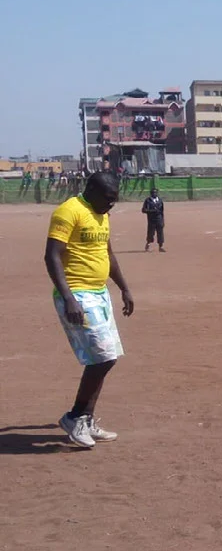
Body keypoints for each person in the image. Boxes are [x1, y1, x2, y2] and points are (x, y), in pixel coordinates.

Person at [45, 172, 134, 448]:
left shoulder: (101, 214)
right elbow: (51, 255)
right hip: (78, 294)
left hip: (99, 293)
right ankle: (75, 417)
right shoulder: (69, 211)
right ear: (91, 189)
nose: (111, 205)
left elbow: (107, 253)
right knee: (102, 358)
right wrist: (68, 297)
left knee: (107, 357)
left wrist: (124, 288)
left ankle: (86, 418)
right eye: (108, 199)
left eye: (114, 200)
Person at [141, 188, 166, 252]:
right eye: (153, 193)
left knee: (160, 233)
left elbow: (162, 211)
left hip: (159, 218)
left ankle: (161, 246)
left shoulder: (160, 200)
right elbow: (143, 210)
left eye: (155, 193)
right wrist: (152, 211)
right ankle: (148, 244)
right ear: (151, 193)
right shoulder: (148, 200)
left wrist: (163, 220)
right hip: (151, 219)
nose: (154, 194)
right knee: (150, 233)